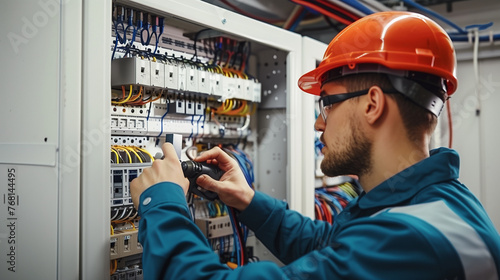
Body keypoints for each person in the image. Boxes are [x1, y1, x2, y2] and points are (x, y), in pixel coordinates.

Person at [130, 11, 500, 279]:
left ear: (373, 104)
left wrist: (160, 202)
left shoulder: (410, 240)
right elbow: (330, 246)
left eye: (328, 103)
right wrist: (249, 202)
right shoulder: (431, 205)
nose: (318, 122)